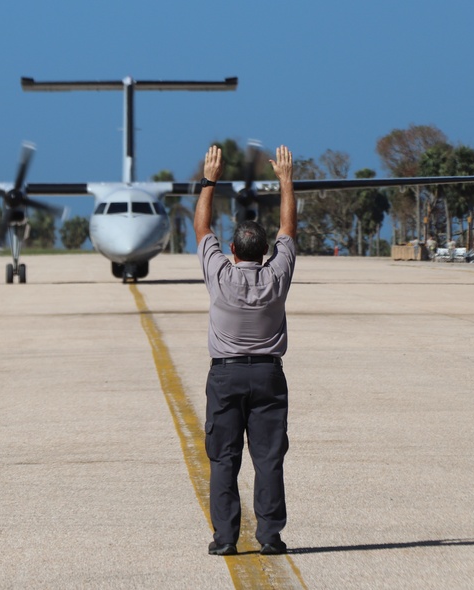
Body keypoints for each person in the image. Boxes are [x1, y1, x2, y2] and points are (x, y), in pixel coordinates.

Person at [193, 144, 297, 557]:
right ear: (265, 252)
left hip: (226, 375)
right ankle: (270, 537)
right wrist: (286, 181)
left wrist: (209, 181)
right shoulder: (278, 275)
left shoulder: (219, 274)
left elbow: (202, 229)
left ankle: (225, 539)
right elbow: (288, 229)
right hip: (269, 376)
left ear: (232, 252)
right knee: (269, 459)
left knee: (224, 460)